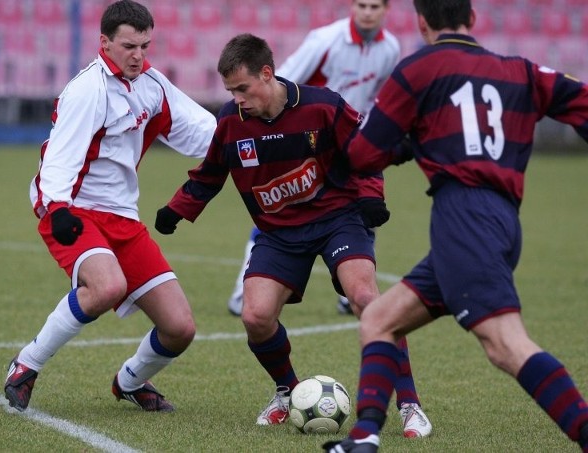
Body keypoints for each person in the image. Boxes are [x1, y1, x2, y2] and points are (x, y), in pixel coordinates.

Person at [323, 1, 588, 451]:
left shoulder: (419, 69)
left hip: (463, 217)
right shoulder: (520, 71)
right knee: (380, 320)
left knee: (505, 344)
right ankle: (364, 437)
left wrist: (404, 144)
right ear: (473, 20)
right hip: (502, 220)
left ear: (422, 22)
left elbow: (363, 153)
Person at [156, 33, 431, 438]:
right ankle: (287, 392)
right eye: (230, 90)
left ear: (267, 74)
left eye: (243, 88)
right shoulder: (232, 122)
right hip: (279, 232)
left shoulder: (324, 106)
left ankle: (409, 405)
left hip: (338, 219)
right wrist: (177, 210)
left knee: (367, 299)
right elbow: (210, 174)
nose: (236, 98)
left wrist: (371, 198)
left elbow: (366, 153)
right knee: (255, 316)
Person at [3, 0, 216, 413]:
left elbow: (201, 129)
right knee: (106, 287)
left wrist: (245, 137)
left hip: (122, 218)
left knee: (180, 328)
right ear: (105, 42)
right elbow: (59, 157)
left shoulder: (152, 85)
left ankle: (131, 381)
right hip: (71, 209)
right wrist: (58, 207)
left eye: (145, 46)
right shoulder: (88, 90)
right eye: (129, 46)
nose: (138, 55)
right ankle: (26, 364)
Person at [227, 0, 399, 318]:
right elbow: (282, 80)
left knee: (362, 206)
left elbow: (378, 95)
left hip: (349, 141)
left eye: (375, 6)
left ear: (386, 9)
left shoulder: (390, 48)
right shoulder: (324, 41)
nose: (367, 11)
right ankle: (242, 290)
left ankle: (350, 294)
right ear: (352, 6)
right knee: (282, 207)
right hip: (306, 144)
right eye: (362, 4)